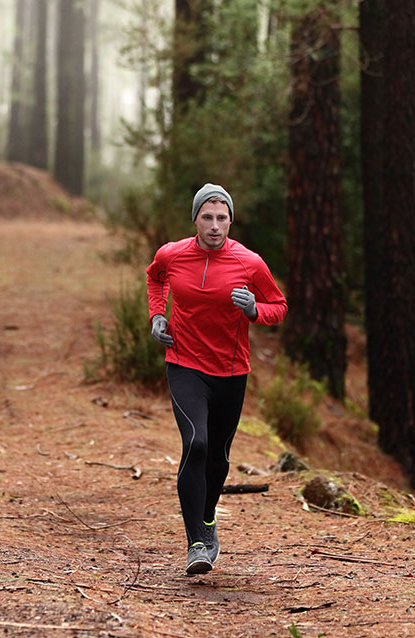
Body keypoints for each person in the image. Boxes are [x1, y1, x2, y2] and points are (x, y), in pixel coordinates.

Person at [146, 183, 287, 574]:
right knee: (196, 442)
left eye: (221, 218)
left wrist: (256, 309)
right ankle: (196, 544)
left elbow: (280, 305)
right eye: (207, 217)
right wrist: (158, 315)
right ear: (195, 219)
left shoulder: (249, 262)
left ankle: (208, 520)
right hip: (184, 363)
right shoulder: (172, 254)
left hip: (230, 371)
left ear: (230, 221)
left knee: (218, 458)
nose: (214, 225)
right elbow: (154, 278)